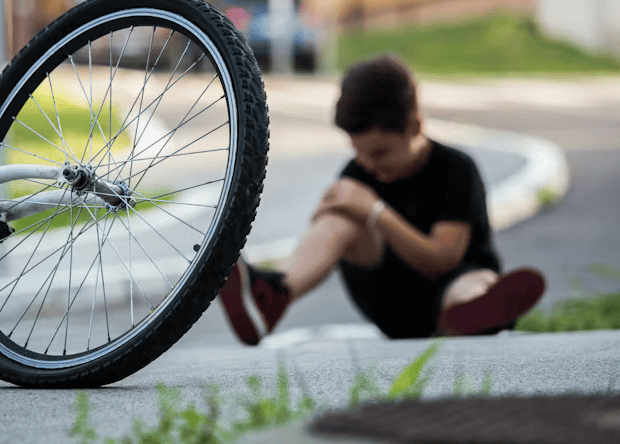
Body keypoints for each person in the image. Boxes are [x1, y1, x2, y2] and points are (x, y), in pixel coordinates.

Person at [218, 54, 546, 344]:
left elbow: (442, 262)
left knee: (476, 283)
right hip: (390, 302)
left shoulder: (455, 169)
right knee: (340, 218)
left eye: (380, 152)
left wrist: (376, 211)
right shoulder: (356, 173)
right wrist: (336, 216)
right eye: (357, 152)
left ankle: (472, 316)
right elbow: (321, 237)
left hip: (449, 285)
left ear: (414, 127)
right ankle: (274, 294)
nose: (368, 164)